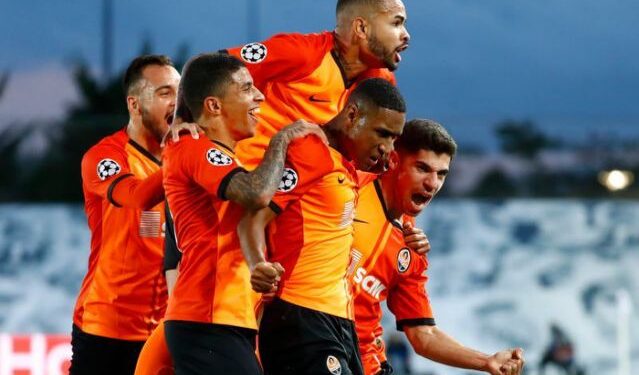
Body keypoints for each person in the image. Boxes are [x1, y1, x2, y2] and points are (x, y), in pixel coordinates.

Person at [160, 53, 325, 375]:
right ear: (214, 106)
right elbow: (256, 194)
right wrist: (282, 139)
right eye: (247, 88)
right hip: (207, 318)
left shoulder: (217, 157)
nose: (259, 96)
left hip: (225, 319)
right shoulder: (193, 147)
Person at [238, 77, 406, 375]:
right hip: (300, 316)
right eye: (382, 133)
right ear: (352, 115)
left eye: (394, 138)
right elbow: (253, 219)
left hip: (340, 321)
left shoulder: (349, 165)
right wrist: (257, 265)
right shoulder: (311, 151)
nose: (387, 147)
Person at [349, 119, 525, 375]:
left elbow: (424, 335)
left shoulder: (412, 248)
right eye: (423, 168)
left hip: (367, 363)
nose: (433, 184)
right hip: (310, 341)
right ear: (395, 160)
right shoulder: (348, 188)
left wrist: (487, 362)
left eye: (441, 174)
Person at [70, 55, 180, 375]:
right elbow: (139, 197)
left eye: (180, 92)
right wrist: (185, 157)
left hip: (164, 330)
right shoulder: (105, 156)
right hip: (107, 327)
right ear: (135, 104)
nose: (177, 102)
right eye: (164, 93)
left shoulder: (185, 156)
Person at [222, 0, 410, 169]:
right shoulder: (301, 54)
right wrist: (193, 119)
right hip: (247, 178)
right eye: (396, 23)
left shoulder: (380, 82)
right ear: (361, 28)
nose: (406, 35)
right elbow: (215, 67)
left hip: (313, 187)